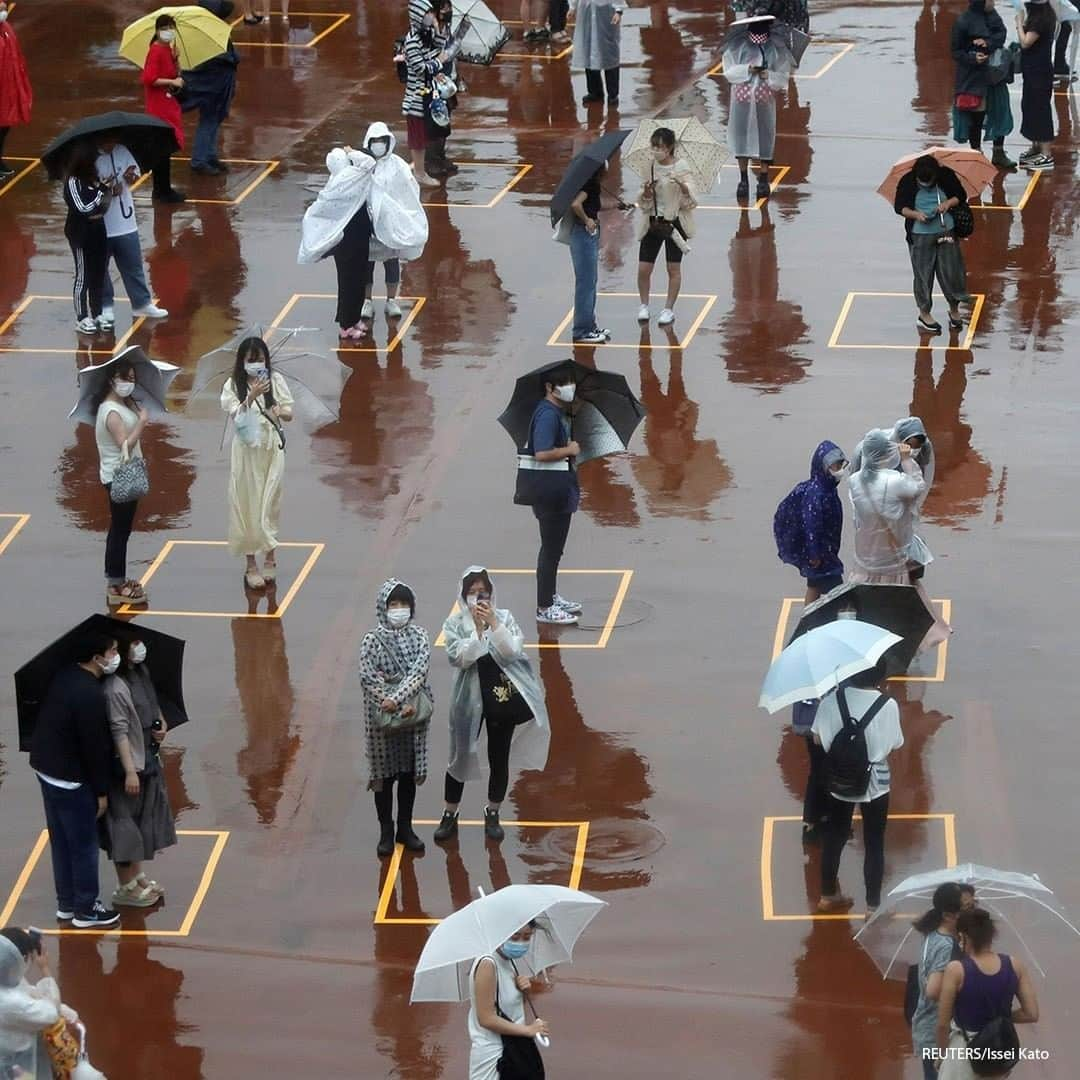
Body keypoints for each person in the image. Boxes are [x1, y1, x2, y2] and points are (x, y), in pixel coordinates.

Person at [433, 568, 551, 844]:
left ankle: (493, 812)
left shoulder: (505, 618)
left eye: (482, 592)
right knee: (459, 755)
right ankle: (450, 813)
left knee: (499, 757)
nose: (477, 598)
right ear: (463, 597)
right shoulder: (454, 624)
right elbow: (459, 658)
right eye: (472, 593)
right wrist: (476, 632)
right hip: (468, 701)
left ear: (491, 594)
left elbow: (512, 652)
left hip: (501, 698)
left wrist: (494, 624)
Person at [28, 634, 121, 930]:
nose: (115, 654)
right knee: (83, 845)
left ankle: (66, 904)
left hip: (46, 769)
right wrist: (102, 792)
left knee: (62, 841)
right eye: (111, 650)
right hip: (71, 780)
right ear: (97, 658)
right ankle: (86, 909)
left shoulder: (65, 675)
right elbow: (94, 749)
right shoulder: (90, 695)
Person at [811, 661, 904, 915]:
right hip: (875, 782)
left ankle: (828, 894)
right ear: (881, 676)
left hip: (839, 777)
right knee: (874, 843)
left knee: (834, 836)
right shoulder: (888, 705)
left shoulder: (832, 701)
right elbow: (896, 743)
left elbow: (817, 738)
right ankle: (873, 905)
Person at [101, 634, 177, 909]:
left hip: (148, 754)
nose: (137, 647)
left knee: (143, 815)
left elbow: (152, 703)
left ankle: (137, 877)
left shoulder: (141, 671)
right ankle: (125, 886)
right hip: (128, 764)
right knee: (125, 823)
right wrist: (130, 770)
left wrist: (161, 724)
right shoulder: (114, 686)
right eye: (131, 643)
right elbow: (119, 730)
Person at [358, 579, 433, 857]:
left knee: (407, 774)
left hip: (411, 716)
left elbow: (419, 673)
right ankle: (386, 832)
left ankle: (405, 828)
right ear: (383, 607)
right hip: (383, 720)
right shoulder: (371, 640)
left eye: (404, 604)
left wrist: (398, 701)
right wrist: (390, 703)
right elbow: (368, 678)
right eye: (394, 604)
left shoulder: (421, 636)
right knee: (384, 777)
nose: (399, 609)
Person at [220, 336, 294, 590]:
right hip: (246, 453)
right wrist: (250, 396)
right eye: (251, 360)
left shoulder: (275, 381)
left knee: (270, 501)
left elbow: (289, 412)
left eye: (260, 359)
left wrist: (277, 410)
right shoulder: (232, 386)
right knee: (247, 504)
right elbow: (236, 416)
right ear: (242, 362)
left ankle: (271, 555)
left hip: (271, 450)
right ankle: (251, 564)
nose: (256, 364)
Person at [935, 908, 1040, 1079]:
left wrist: (941, 1056)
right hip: (999, 1049)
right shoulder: (1014, 965)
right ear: (990, 936)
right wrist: (999, 1019)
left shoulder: (956, 970)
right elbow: (1031, 1013)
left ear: (963, 937)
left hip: (964, 1053)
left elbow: (942, 1024)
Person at [524, 367, 583, 624]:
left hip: (556, 489)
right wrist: (568, 449)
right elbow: (541, 452)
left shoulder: (555, 412)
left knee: (554, 550)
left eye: (571, 382)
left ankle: (550, 596)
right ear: (549, 387)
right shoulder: (548, 415)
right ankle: (545, 606)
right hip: (551, 492)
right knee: (550, 550)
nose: (569, 387)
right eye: (563, 383)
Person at [298, 145, 375, 339]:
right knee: (349, 281)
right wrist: (351, 151)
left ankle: (354, 318)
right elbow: (369, 163)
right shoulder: (345, 180)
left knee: (358, 279)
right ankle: (346, 325)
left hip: (358, 236)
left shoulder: (343, 179)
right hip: (347, 241)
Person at [95, 136, 169, 332]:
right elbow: (88, 188)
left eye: (113, 141)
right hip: (100, 225)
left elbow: (134, 172)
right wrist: (108, 189)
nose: (112, 145)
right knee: (100, 270)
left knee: (133, 266)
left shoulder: (122, 150)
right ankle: (105, 307)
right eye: (107, 142)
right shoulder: (89, 159)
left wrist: (130, 176)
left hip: (125, 224)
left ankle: (141, 304)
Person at [94, 359, 150, 607]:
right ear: (111, 380)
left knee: (121, 530)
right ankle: (115, 585)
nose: (129, 383)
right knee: (119, 531)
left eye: (131, 378)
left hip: (123, 474)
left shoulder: (120, 404)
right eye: (124, 378)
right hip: (119, 477)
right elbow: (124, 444)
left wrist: (135, 411)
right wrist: (142, 422)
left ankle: (117, 579)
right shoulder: (110, 412)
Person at [359, 121, 429, 321]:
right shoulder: (363, 164)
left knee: (391, 263)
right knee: (367, 264)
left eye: (382, 141)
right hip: (369, 225)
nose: (378, 145)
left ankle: (391, 300)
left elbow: (409, 190)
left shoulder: (397, 165)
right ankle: (367, 301)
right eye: (375, 141)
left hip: (390, 225)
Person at [722, 11, 795, 201]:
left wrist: (769, 75)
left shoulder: (776, 47)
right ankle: (743, 179)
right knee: (740, 137)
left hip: (764, 100)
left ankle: (763, 178)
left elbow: (782, 75)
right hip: (742, 100)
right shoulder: (737, 46)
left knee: (765, 136)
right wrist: (747, 69)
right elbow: (728, 71)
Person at [893, 154, 970, 335]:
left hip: (946, 231)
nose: (926, 184)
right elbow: (900, 207)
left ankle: (954, 309)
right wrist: (916, 215)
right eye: (922, 181)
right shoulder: (907, 181)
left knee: (951, 272)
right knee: (923, 275)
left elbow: (960, 195)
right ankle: (924, 314)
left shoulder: (946, 176)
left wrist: (947, 204)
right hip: (920, 236)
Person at [467, 922, 549, 1080]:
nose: (521, 943)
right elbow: (486, 1018)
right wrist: (528, 1030)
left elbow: (507, 1008)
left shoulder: (507, 959)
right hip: (495, 1056)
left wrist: (521, 990)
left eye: (527, 937)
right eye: (515, 936)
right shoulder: (487, 964)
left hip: (513, 1047)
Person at [636, 127, 697, 327]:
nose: (656, 150)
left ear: (670, 147)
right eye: (653, 146)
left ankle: (668, 309)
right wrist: (646, 192)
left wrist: (683, 187)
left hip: (674, 223)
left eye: (660, 146)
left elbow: (691, 201)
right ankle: (644, 305)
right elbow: (643, 203)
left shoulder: (682, 167)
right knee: (644, 268)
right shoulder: (650, 166)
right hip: (653, 222)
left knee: (673, 268)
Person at [773, 439, 848, 603]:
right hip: (822, 553)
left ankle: (808, 618)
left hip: (826, 548)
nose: (840, 470)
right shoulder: (816, 494)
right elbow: (811, 525)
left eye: (841, 465)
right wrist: (814, 554)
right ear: (824, 468)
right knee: (839, 595)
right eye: (836, 466)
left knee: (814, 585)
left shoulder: (827, 488)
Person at [951, 0, 1016, 169]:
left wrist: (989, 43)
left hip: (995, 76)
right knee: (976, 117)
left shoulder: (993, 16)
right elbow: (956, 51)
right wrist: (973, 58)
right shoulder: (963, 21)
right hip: (974, 78)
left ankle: (998, 152)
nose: (993, 2)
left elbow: (1001, 34)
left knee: (1000, 112)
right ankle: (976, 154)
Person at [911, 882, 965, 1080]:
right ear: (948, 915)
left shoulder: (935, 935)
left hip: (927, 1029)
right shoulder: (945, 946)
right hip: (937, 1035)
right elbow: (933, 991)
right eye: (965, 908)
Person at [402, 2, 456, 188]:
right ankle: (419, 172)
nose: (431, 17)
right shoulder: (411, 41)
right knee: (417, 138)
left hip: (429, 93)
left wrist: (441, 29)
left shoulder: (427, 36)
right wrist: (438, 63)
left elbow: (438, 48)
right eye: (428, 14)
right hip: (416, 98)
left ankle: (422, 169)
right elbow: (421, 68)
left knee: (427, 133)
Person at [184, 2, 241, 176]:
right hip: (211, 85)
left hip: (218, 84)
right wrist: (233, 59)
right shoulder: (208, 33)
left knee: (213, 120)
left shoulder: (212, 28)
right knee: (209, 121)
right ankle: (200, 159)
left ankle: (209, 155)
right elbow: (222, 58)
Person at [63, 146, 110, 336]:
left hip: (99, 228)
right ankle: (82, 317)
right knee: (83, 274)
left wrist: (108, 190)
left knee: (99, 273)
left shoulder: (94, 180)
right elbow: (83, 208)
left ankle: (97, 313)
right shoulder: (73, 182)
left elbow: (104, 205)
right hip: (80, 232)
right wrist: (100, 193)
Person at [0, 933, 60, 1080]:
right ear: (24, 959)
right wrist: (45, 968)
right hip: (15, 1061)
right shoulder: (15, 1002)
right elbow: (52, 1013)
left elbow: (30, 992)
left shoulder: (7, 981)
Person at [566, 163, 614, 344]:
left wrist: (618, 205)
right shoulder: (590, 185)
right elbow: (576, 204)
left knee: (590, 282)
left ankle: (590, 325)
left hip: (588, 235)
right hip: (584, 235)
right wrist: (587, 220)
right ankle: (582, 330)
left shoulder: (592, 185)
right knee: (586, 284)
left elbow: (595, 205)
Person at [141, 14, 186, 204]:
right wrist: (172, 81)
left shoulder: (168, 50)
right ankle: (161, 191)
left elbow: (174, 74)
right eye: (166, 28)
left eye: (171, 28)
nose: (169, 32)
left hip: (167, 105)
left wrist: (176, 62)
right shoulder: (156, 51)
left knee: (165, 150)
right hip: (158, 107)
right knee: (161, 150)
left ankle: (164, 188)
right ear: (159, 30)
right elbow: (149, 78)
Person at [1015, 0, 1057, 171]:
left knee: (1040, 109)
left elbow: (1026, 42)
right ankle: (1036, 146)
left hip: (1039, 71)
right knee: (1030, 106)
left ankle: (1046, 153)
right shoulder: (1040, 14)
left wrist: (1019, 23)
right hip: (1033, 70)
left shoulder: (1041, 18)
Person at [0, 0, 32, 182]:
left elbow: (15, 57)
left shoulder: (6, 29)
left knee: (4, 127)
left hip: (8, 87)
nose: (3, 9)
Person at [572, 0, 625, 106]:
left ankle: (613, 94)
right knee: (588, 50)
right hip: (586, 11)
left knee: (610, 53)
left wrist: (618, 10)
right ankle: (594, 91)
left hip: (606, 12)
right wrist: (573, 6)